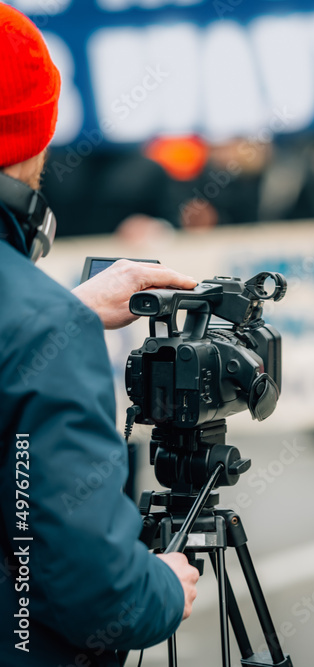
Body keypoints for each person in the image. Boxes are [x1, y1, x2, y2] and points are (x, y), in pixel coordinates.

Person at [0, 6, 200, 665]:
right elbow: (98, 593)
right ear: (28, 145)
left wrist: (62, 310)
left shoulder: (40, 318)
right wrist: (162, 587)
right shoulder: (40, 324)